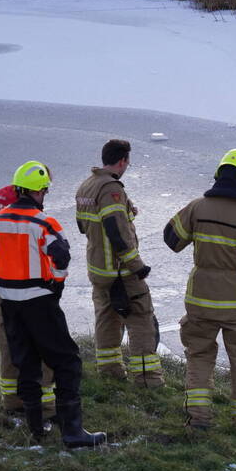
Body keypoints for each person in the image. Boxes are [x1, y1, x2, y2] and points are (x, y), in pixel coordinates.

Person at [0, 161, 105, 448]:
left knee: (25, 362)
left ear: (17, 189)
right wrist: (56, 283)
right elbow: (61, 257)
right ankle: (73, 432)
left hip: (9, 302)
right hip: (40, 302)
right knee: (68, 363)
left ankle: (35, 428)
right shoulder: (44, 223)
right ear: (40, 192)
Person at [163, 148, 236, 434]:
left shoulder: (197, 208)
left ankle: (198, 420)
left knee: (199, 357)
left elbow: (171, 239)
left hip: (200, 302)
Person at [75, 139, 163, 387]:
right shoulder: (111, 189)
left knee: (106, 317)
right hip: (121, 270)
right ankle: (147, 380)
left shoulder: (86, 186)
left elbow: (83, 226)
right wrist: (136, 265)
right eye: (128, 161)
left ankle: (110, 373)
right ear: (122, 160)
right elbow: (117, 230)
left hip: (98, 268)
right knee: (141, 318)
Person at [0, 184, 56, 420]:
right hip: (25, 290)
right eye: (43, 189)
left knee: (9, 347)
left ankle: (12, 401)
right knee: (42, 346)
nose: (44, 195)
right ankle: (45, 408)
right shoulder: (21, 212)